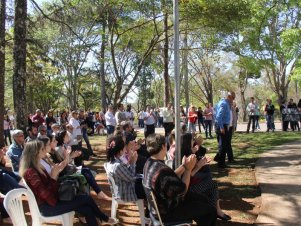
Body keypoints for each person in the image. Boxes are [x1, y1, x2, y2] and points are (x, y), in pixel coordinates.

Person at [19, 140, 117, 226]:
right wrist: (53, 177)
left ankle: (104, 219)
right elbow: (46, 195)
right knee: (86, 199)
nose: (44, 150)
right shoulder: (31, 172)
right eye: (42, 149)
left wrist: (55, 175)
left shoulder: (38, 166)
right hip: (47, 207)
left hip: (53, 201)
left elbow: (50, 188)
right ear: (35, 153)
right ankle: (104, 218)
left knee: (87, 208)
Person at [143, 134, 217, 226]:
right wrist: (188, 169)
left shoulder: (149, 163)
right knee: (210, 211)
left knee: (203, 199)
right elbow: (183, 191)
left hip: (161, 206)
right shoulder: (162, 170)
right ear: (163, 146)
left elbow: (171, 176)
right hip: (168, 211)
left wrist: (184, 166)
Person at [181, 133, 231, 221]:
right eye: (192, 140)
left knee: (209, 176)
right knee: (213, 184)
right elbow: (188, 175)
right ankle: (213, 211)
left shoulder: (188, 152)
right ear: (187, 142)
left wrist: (202, 162)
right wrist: (199, 166)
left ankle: (215, 210)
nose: (194, 141)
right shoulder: (185, 156)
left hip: (191, 184)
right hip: (188, 189)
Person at [106, 135, 149, 219]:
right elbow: (131, 177)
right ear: (121, 150)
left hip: (125, 188)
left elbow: (126, 173)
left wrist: (130, 162)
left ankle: (149, 213)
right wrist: (133, 162)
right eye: (124, 147)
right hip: (127, 192)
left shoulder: (114, 161)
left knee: (146, 184)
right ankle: (150, 214)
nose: (125, 149)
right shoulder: (117, 165)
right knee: (150, 188)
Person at [214, 91, 236, 168]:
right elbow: (218, 117)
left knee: (224, 144)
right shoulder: (224, 104)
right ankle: (221, 163)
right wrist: (221, 127)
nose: (233, 100)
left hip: (223, 125)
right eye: (233, 98)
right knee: (222, 145)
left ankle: (220, 160)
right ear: (229, 97)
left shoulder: (224, 103)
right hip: (222, 126)